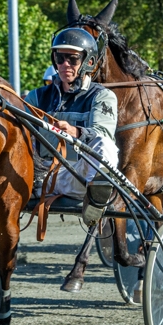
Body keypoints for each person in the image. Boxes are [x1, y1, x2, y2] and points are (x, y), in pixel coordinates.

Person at [25, 28, 119, 222]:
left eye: (73, 59)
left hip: (78, 176)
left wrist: (75, 132)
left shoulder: (102, 96)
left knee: (105, 144)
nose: (64, 64)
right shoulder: (36, 97)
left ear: (89, 62)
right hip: (40, 177)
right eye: (60, 58)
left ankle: (96, 201)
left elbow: (102, 133)